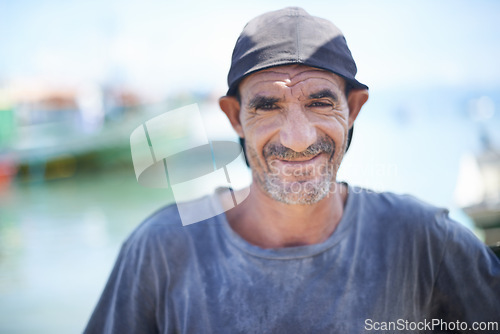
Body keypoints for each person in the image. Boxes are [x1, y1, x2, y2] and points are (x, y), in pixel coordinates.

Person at [84, 7, 500, 334]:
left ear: (353, 110)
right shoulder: (162, 249)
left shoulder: (424, 240)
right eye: (268, 106)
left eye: (320, 103)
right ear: (234, 117)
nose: (298, 139)